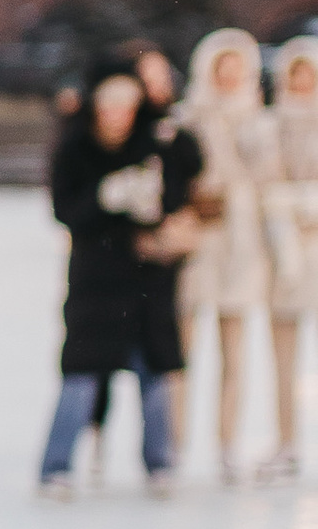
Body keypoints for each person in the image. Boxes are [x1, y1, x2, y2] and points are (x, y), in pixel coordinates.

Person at [37, 58, 202, 496]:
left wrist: (158, 214)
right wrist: (105, 199)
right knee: (83, 374)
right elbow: (65, 212)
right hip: (96, 281)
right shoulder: (75, 147)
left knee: (154, 373)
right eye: (109, 107)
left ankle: (159, 463)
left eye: (126, 106)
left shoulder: (156, 140)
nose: (118, 116)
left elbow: (187, 178)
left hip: (148, 280)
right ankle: (56, 466)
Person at [176, 28, 280, 483]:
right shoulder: (186, 119)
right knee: (182, 352)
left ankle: (227, 444)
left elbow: (269, 181)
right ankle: (174, 444)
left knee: (234, 357)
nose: (231, 75)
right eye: (224, 66)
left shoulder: (261, 122)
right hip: (197, 245)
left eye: (239, 67)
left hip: (241, 246)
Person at [264, 36, 318, 478]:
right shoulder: (268, 125)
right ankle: (287, 441)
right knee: (283, 357)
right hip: (281, 256)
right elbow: (260, 182)